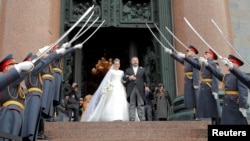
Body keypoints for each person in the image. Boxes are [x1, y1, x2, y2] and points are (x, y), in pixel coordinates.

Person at [199, 54, 248, 124]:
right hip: (227, 103)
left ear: (236, 64)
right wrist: (207, 64)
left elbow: (243, 92)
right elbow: (216, 73)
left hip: (235, 104)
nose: (227, 65)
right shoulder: (227, 76)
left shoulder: (240, 75)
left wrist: (243, 106)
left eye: (230, 62)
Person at [176, 49, 220, 125]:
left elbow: (215, 77)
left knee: (214, 105)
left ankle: (217, 121)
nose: (205, 54)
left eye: (207, 53)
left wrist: (215, 90)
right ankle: (207, 119)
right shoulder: (204, 63)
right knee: (206, 105)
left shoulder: (214, 64)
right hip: (204, 86)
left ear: (212, 55)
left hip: (210, 87)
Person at [0, 54, 33, 140]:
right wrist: (36, 58)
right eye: (13, 65)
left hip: (19, 114)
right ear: (6, 68)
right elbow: (21, 75)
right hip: (9, 112)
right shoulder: (4, 79)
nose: (15, 66)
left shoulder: (16, 84)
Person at [164, 45, 200, 120]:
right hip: (188, 81)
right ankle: (195, 114)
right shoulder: (188, 60)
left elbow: (196, 71)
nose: (187, 52)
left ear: (193, 52)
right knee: (192, 99)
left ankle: (198, 114)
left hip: (192, 81)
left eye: (188, 51)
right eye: (187, 51)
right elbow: (178, 59)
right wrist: (171, 53)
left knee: (196, 98)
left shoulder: (195, 60)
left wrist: (196, 83)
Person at [123, 56, 150, 121]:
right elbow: (124, 78)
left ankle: (142, 118)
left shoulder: (142, 70)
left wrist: (147, 86)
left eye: (136, 60)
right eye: (134, 60)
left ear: (138, 61)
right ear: (131, 62)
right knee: (132, 104)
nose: (135, 61)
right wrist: (129, 77)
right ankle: (132, 118)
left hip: (140, 88)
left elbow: (147, 79)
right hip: (131, 88)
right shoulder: (128, 70)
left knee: (141, 103)